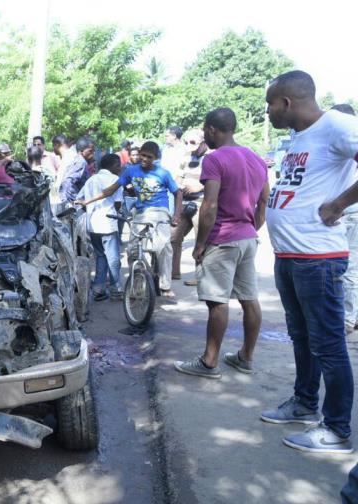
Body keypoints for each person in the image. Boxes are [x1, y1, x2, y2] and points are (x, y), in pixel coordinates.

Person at [259, 70, 358, 454]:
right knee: (302, 337)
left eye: (270, 104)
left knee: (328, 344)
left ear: (286, 102)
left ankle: (336, 430)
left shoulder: (337, 125)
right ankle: (303, 402)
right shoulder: (300, 137)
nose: (267, 111)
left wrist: (338, 204)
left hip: (318, 258)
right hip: (290, 255)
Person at [173, 108, 269, 379]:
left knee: (217, 301)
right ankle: (245, 357)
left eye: (205, 131)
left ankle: (209, 362)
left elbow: (210, 204)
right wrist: (250, 228)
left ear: (212, 129)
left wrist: (200, 244)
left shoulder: (215, 160)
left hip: (223, 238)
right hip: (248, 238)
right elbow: (263, 202)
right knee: (250, 299)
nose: (205, 135)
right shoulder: (256, 159)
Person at [77, 141, 182, 298]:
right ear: (139, 153)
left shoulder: (163, 173)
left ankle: (165, 285)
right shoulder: (131, 171)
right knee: (132, 251)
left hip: (160, 212)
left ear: (155, 158)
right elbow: (110, 190)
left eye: (149, 157)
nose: (145, 159)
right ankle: (139, 282)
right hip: (140, 213)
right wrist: (87, 201)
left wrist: (176, 215)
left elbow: (178, 193)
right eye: (143, 155)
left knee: (164, 248)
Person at [77, 154, 124, 301]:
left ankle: (99, 289)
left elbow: (80, 198)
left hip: (93, 224)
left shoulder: (92, 179)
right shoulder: (115, 180)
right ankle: (116, 289)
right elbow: (117, 203)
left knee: (100, 256)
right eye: (118, 165)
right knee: (113, 257)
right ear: (113, 165)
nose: (120, 168)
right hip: (108, 223)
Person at [331, 104, 358, 340]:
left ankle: (348, 319)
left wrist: (339, 204)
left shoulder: (349, 138)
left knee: (349, 270)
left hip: (350, 215)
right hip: (347, 214)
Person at [171, 129, 209, 284]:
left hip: (202, 203)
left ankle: (200, 277)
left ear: (203, 142)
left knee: (201, 240)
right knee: (174, 237)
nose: (189, 146)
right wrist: (178, 184)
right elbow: (178, 175)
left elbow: (219, 182)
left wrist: (199, 187)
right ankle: (173, 272)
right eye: (187, 142)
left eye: (193, 142)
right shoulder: (186, 155)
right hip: (184, 201)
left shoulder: (211, 157)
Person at [59, 137, 94, 204]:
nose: (93, 154)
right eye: (90, 151)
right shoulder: (81, 162)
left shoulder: (78, 160)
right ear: (81, 151)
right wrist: (74, 202)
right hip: (76, 206)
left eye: (93, 151)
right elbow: (67, 181)